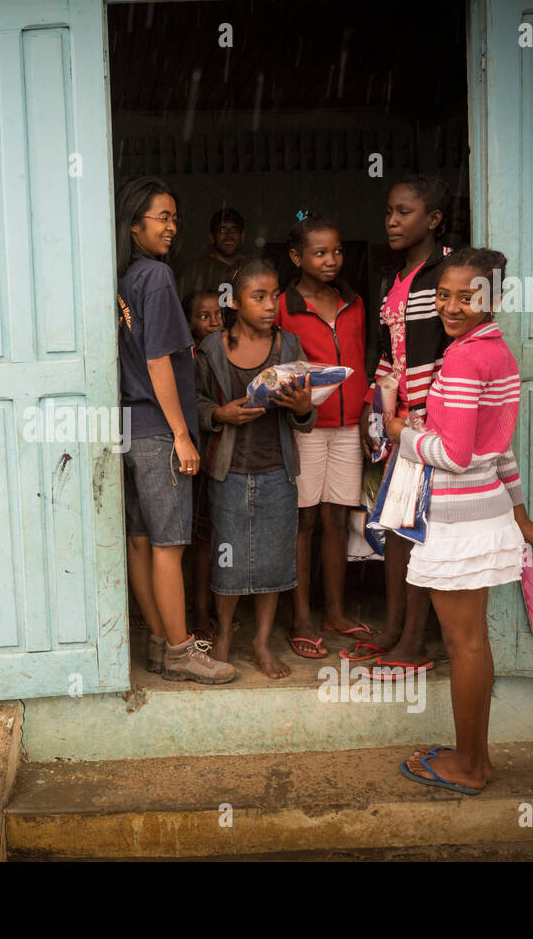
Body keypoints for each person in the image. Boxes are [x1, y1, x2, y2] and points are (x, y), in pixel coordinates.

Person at [389, 248, 533, 793]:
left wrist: (404, 436)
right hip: (485, 512)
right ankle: (473, 756)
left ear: (494, 298)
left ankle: (470, 766)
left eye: (468, 296)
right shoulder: (495, 351)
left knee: (464, 645)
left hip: (460, 519)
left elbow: (458, 454)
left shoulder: (464, 358)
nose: (453, 306)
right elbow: (498, 448)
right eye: (444, 295)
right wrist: (521, 516)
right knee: (473, 642)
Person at [115, 176, 236, 684]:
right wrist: (183, 434)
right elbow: (159, 359)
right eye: (161, 217)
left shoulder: (120, 280)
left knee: (141, 541)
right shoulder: (157, 278)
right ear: (135, 223)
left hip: (129, 427)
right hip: (160, 430)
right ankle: (183, 651)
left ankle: (162, 642)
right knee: (169, 545)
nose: (172, 226)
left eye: (173, 217)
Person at [355, 176, 460, 679]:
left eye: (404, 212)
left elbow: (448, 351)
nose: (392, 221)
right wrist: (373, 409)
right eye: (388, 213)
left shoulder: (449, 272)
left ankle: (416, 641)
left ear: (433, 219)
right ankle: (394, 627)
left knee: (420, 534)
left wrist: (423, 416)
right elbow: (387, 354)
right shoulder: (393, 279)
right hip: (399, 426)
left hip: (430, 426)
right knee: (396, 529)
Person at [195, 259, 317, 678]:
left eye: (275, 296)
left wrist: (303, 408)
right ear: (235, 302)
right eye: (259, 297)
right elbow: (193, 403)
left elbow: (307, 416)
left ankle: (262, 643)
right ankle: (225, 636)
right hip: (229, 473)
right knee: (227, 562)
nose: (270, 305)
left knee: (274, 562)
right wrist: (219, 414)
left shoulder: (290, 347)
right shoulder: (212, 349)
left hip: (276, 470)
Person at [274, 214, 375, 657]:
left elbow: (366, 357)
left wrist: (368, 408)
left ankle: (334, 612)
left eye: (336, 251)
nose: (331, 260)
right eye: (319, 253)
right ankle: (300, 617)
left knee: (337, 517)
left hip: (349, 426)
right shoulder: (283, 306)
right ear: (296, 257)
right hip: (306, 428)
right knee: (305, 519)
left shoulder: (353, 302)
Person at [182, 290, 225, 640]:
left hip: (222, 457)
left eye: (217, 314)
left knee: (219, 540)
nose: (213, 321)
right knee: (201, 540)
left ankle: (216, 610)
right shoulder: (188, 358)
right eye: (203, 316)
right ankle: (199, 612)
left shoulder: (228, 351)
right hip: (197, 456)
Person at [176, 207, 249, 302]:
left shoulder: (250, 267)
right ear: (212, 237)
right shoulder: (196, 270)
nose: (229, 236)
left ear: (242, 236)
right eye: (222, 230)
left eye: (234, 230)